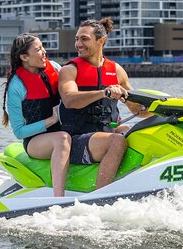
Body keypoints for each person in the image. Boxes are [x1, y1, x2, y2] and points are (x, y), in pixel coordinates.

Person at [58, 17, 149, 189]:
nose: (78, 44)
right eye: (77, 39)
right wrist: (103, 92)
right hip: (75, 140)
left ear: (101, 40)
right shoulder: (70, 70)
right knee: (117, 141)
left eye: (84, 39)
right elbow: (69, 100)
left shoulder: (116, 71)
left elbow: (138, 110)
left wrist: (164, 107)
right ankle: (101, 196)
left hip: (105, 133)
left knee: (137, 132)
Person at [2, 33, 71, 197]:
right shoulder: (16, 87)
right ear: (24, 57)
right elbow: (19, 131)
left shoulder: (54, 67)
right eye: (38, 49)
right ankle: (58, 199)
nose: (44, 52)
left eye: (43, 47)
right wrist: (51, 120)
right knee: (62, 138)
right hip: (36, 141)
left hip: (67, 130)